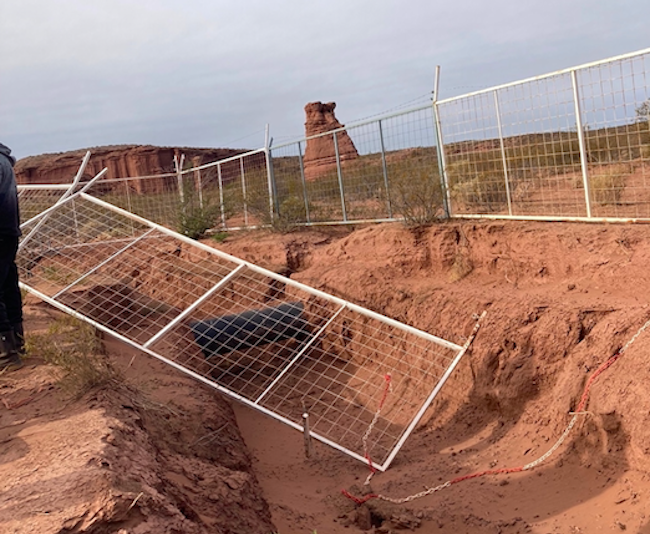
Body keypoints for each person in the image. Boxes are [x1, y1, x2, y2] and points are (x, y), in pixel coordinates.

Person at [0, 142, 24, 371]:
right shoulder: (4, 160)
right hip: (8, 232)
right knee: (7, 286)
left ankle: (6, 354)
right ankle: (16, 341)